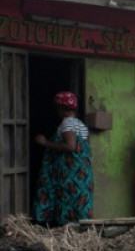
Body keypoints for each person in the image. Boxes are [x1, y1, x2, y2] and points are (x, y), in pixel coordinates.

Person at [33, 91, 94, 225]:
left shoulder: (67, 123)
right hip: (82, 173)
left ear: (60, 108)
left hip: (71, 174)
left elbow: (70, 146)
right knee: (79, 202)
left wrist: (45, 143)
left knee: (68, 200)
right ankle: (82, 231)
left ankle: (67, 230)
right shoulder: (80, 124)